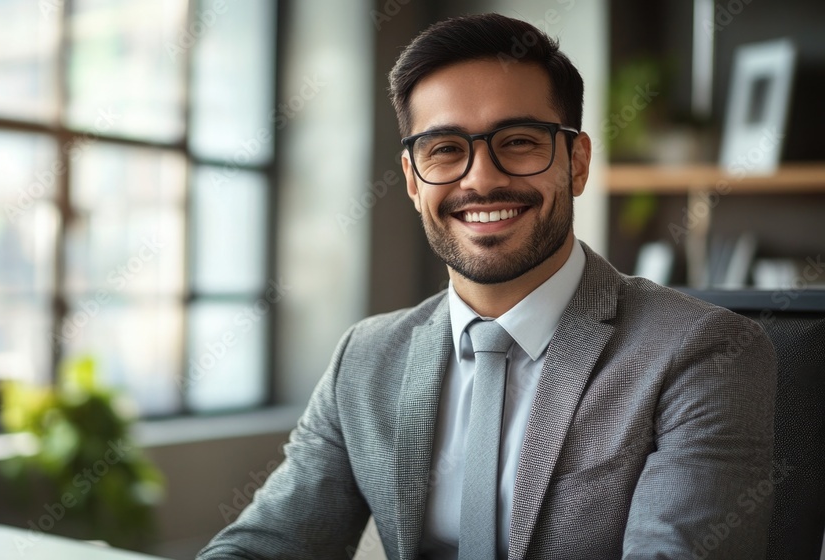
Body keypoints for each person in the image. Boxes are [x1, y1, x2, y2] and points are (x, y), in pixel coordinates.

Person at [198, 12, 776, 560]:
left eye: (519, 141)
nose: (481, 180)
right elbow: (266, 544)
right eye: (445, 150)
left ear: (575, 162)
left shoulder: (701, 353)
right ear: (411, 179)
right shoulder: (366, 357)